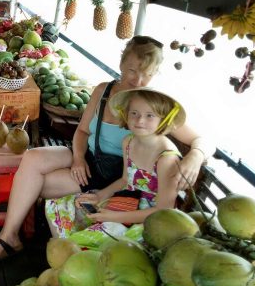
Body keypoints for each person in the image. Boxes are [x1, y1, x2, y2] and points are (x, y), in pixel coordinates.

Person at [0, 36, 214, 265]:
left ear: (155, 74)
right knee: (32, 157)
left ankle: (15, 239)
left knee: (34, 183)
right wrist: (79, 158)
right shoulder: (103, 91)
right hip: (87, 158)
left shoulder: (151, 106)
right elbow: (81, 132)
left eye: (148, 73)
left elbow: (203, 140)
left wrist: (196, 155)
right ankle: (9, 236)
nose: (139, 79)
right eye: (133, 70)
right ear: (121, 64)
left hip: (111, 177)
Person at [47, 87, 185, 245]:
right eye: (134, 113)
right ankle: (64, 254)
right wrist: (100, 196)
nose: (140, 120)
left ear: (164, 119)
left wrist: (113, 217)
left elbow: (163, 212)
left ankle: (71, 257)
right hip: (127, 200)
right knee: (61, 206)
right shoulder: (129, 141)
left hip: (150, 222)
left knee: (91, 237)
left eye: (150, 116)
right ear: (126, 114)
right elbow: (126, 179)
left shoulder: (166, 159)